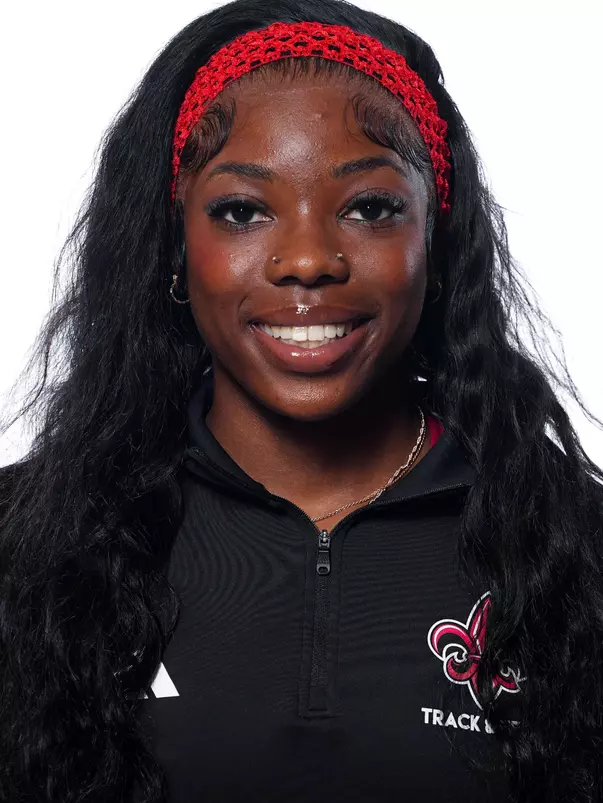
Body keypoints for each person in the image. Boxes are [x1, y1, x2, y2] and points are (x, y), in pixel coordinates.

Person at [1, 0, 602, 800]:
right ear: (176, 247)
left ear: (437, 239)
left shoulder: (576, 548)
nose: (309, 260)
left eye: (369, 207)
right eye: (241, 210)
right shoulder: (28, 546)